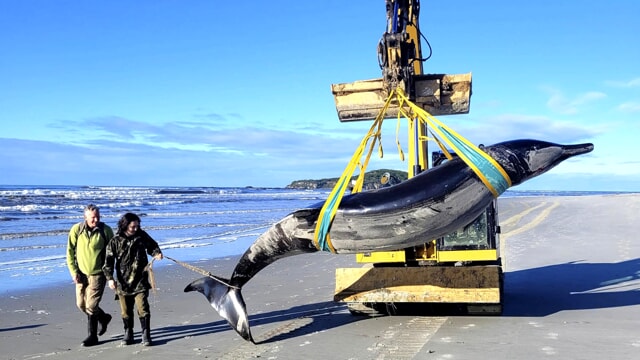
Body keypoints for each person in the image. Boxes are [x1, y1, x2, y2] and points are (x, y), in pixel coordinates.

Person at [103, 212, 163, 346]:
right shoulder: (115, 241)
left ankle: (146, 334)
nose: (136, 229)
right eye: (133, 227)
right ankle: (128, 333)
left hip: (140, 280)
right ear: (125, 225)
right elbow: (108, 261)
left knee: (143, 307)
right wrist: (110, 279)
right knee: (125, 310)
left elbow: (152, 246)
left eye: (137, 226)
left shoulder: (142, 236)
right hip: (123, 283)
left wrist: (157, 253)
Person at [66, 204, 114, 347]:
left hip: (98, 274)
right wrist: (74, 272)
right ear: (85, 217)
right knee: (81, 305)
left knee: (91, 305)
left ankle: (92, 336)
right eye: (93, 217)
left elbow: (112, 254)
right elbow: (70, 252)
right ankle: (104, 318)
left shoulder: (105, 231)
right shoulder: (77, 230)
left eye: (98, 216)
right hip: (81, 274)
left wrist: (109, 275)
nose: (96, 219)